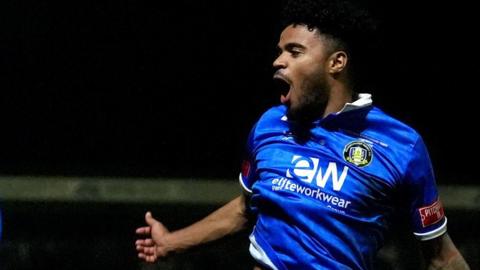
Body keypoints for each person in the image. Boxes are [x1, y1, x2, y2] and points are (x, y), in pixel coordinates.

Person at [135, 0, 470, 269]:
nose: (278, 61)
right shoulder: (269, 125)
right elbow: (246, 208)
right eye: (279, 51)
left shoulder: (401, 145)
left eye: (294, 52)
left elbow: (442, 256)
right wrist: (171, 242)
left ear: (336, 63)